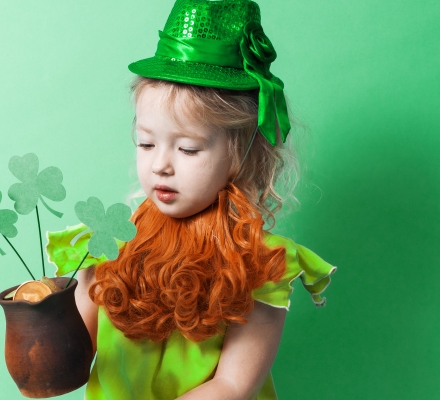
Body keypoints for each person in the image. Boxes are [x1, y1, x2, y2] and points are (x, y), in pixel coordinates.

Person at [47, 0, 336, 398]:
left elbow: (234, 384)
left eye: (188, 149)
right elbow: (70, 362)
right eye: (146, 143)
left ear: (240, 153)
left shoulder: (264, 263)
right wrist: (41, 324)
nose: (160, 165)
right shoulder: (106, 246)